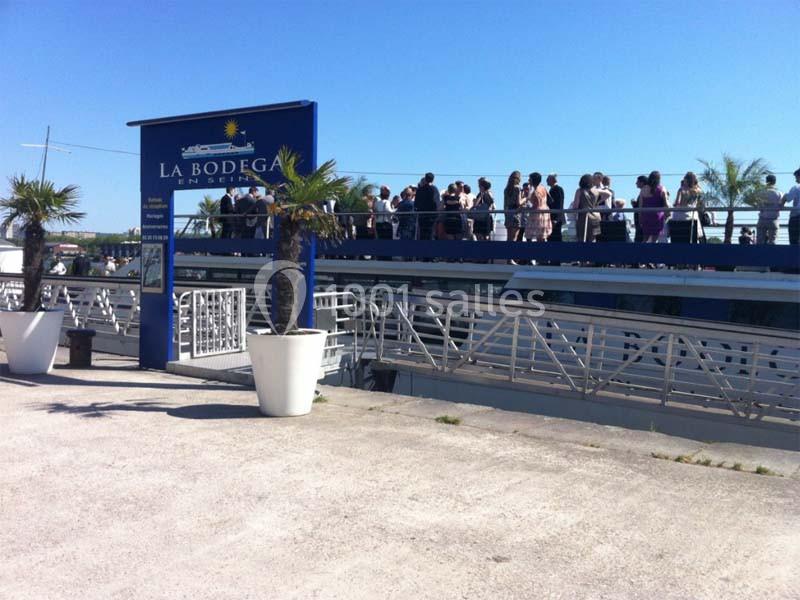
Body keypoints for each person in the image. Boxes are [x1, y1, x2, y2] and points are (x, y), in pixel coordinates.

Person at [671, 171, 704, 243]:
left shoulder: (681, 190)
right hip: (692, 216)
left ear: (686, 180)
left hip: (680, 217)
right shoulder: (697, 190)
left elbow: (677, 203)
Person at [639, 171, 669, 243]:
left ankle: (641, 253)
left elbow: (640, 206)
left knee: (645, 239)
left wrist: (640, 218)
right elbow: (666, 204)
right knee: (654, 240)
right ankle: (652, 253)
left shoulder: (643, 189)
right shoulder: (662, 188)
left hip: (645, 216)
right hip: (657, 217)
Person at [570, 174, 602, 243]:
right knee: (593, 238)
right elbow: (608, 194)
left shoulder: (579, 191)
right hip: (596, 217)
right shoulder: (596, 191)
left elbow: (575, 206)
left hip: (583, 217)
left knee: (581, 238)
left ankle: (583, 253)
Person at [524, 172, 551, 242]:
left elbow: (536, 205)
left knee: (536, 236)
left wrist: (525, 208)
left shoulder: (536, 191)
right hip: (545, 213)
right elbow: (550, 199)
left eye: (530, 179)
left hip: (537, 215)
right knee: (542, 236)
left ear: (533, 180)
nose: (528, 180)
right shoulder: (543, 187)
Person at [755, 174, 783, 245]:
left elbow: (758, 205)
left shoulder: (761, 192)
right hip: (773, 219)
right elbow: (781, 205)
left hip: (762, 218)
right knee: (772, 242)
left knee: (759, 242)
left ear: (766, 181)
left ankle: (759, 255)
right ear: (775, 182)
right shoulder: (779, 193)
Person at [415, 172, 440, 241]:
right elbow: (436, 202)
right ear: (433, 180)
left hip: (422, 216)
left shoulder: (420, 190)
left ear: (425, 179)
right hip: (431, 216)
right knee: (431, 234)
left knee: (422, 235)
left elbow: (416, 204)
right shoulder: (434, 189)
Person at [503, 171, 523, 245]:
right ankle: (512, 255)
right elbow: (519, 202)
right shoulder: (518, 188)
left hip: (508, 213)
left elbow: (505, 204)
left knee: (509, 237)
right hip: (515, 213)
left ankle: (507, 255)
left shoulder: (506, 189)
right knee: (514, 237)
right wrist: (526, 198)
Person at [546, 174, 564, 242]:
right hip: (552, 217)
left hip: (555, 218)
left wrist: (556, 218)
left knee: (555, 236)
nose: (546, 180)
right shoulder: (552, 189)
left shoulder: (558, 189)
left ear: (553, 180)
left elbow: (559, 204)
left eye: (548, 179)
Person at [784, 168, 800, 246]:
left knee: (794, 241)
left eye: (796, 177)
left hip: (796, 217)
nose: (796, 180)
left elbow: (788, 199)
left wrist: (783, 198)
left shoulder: (796, 188)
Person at [631, 175, 647, 242]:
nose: (636, 183)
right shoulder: (644, 191)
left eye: (637, 182)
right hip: (639, 220)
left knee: (639, 238)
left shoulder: (644, 191)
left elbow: (643, 205)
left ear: (642, 182)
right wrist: (635, 204)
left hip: (641, 220)